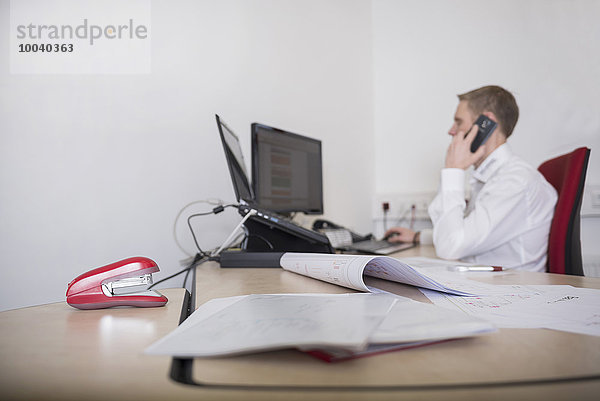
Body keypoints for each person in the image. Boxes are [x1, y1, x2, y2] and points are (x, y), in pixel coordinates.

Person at [385, 85, 557, 272]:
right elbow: (468, 233)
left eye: (458, 122)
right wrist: (420, 236)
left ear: (486, 124)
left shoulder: (515, 181)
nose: (451, 131)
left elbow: (452, 247)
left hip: (512, 289)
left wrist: (453, 170)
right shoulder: (494, 176)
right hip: (490, 281)